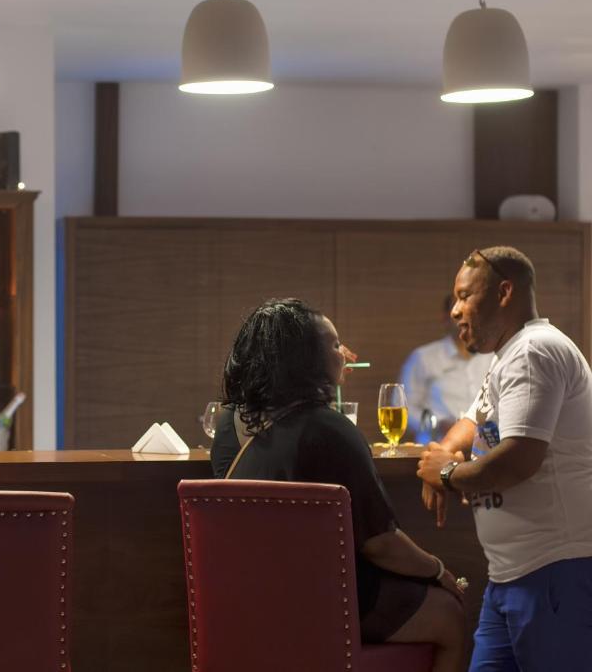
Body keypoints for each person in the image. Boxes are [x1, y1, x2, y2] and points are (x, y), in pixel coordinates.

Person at [216, 298, 467, 672]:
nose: (344, 352)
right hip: (323, 604)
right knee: (450, 613)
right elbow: (382, 545)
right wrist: (437, 569)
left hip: (246, 602)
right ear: (307, 360)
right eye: (334, 344)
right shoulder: (331, 431)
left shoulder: (228, 426)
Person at [418, 246, 592, 671]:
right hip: (511, 575)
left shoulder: (534, 352)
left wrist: (447, 473)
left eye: (465, 296)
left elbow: (518, 460)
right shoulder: (510, 355)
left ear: (504, 292)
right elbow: (470, 422)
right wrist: (444, 454)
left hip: (554, 571)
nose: (455, 310)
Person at [399, 294, 492, 443]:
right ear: (445, 318)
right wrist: (437, 424)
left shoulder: (492, 357)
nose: (465, 319)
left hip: (486, 447)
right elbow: (403, 410)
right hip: (437, 446)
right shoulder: (423, 357)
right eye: (458, 313)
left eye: (471, 311)